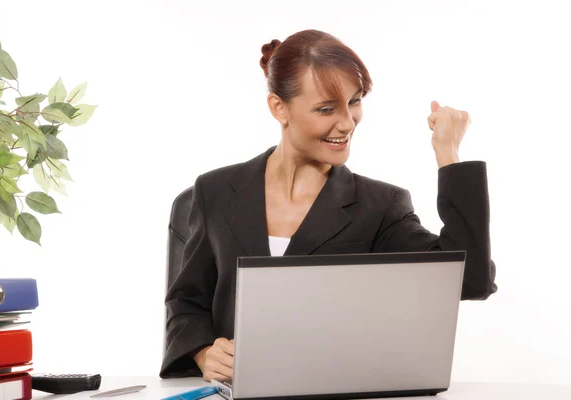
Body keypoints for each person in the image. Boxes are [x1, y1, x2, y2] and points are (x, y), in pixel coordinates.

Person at [159, 29, 497, 382]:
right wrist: (203, 351)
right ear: (279, 108)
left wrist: (449, 155)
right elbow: (186, 303)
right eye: (326, 109)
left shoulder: (380, 206)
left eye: (354, 101)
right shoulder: (215, 191)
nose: (347, 123)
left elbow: (471, 279)